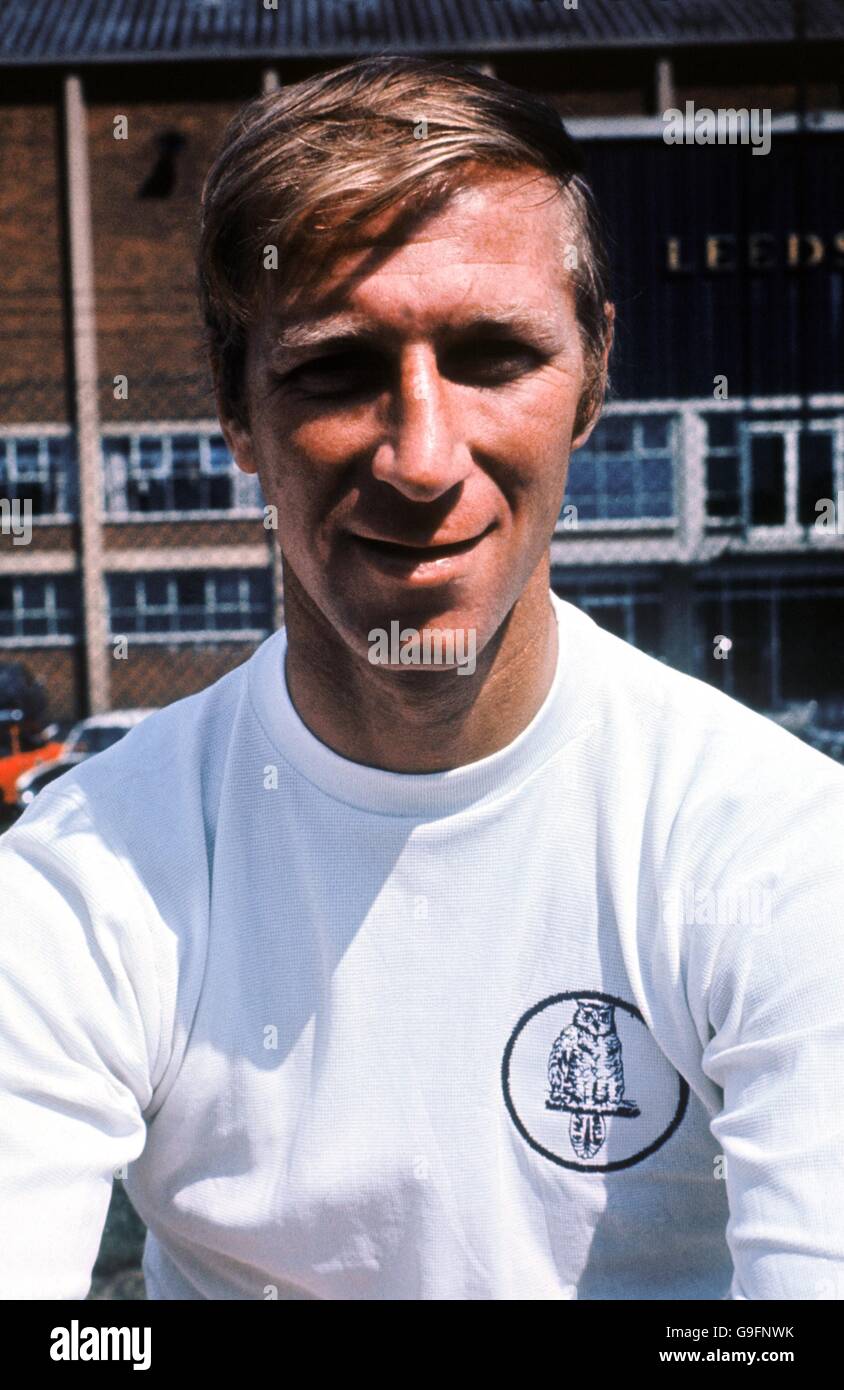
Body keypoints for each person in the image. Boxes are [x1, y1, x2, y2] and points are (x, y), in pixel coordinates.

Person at [1, 55, 842, 1302]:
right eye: (336, 370)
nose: (421, 456)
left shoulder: (776, 853)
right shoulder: (85, 881)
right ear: (236, 404)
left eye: (492, 356)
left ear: (593, 377)